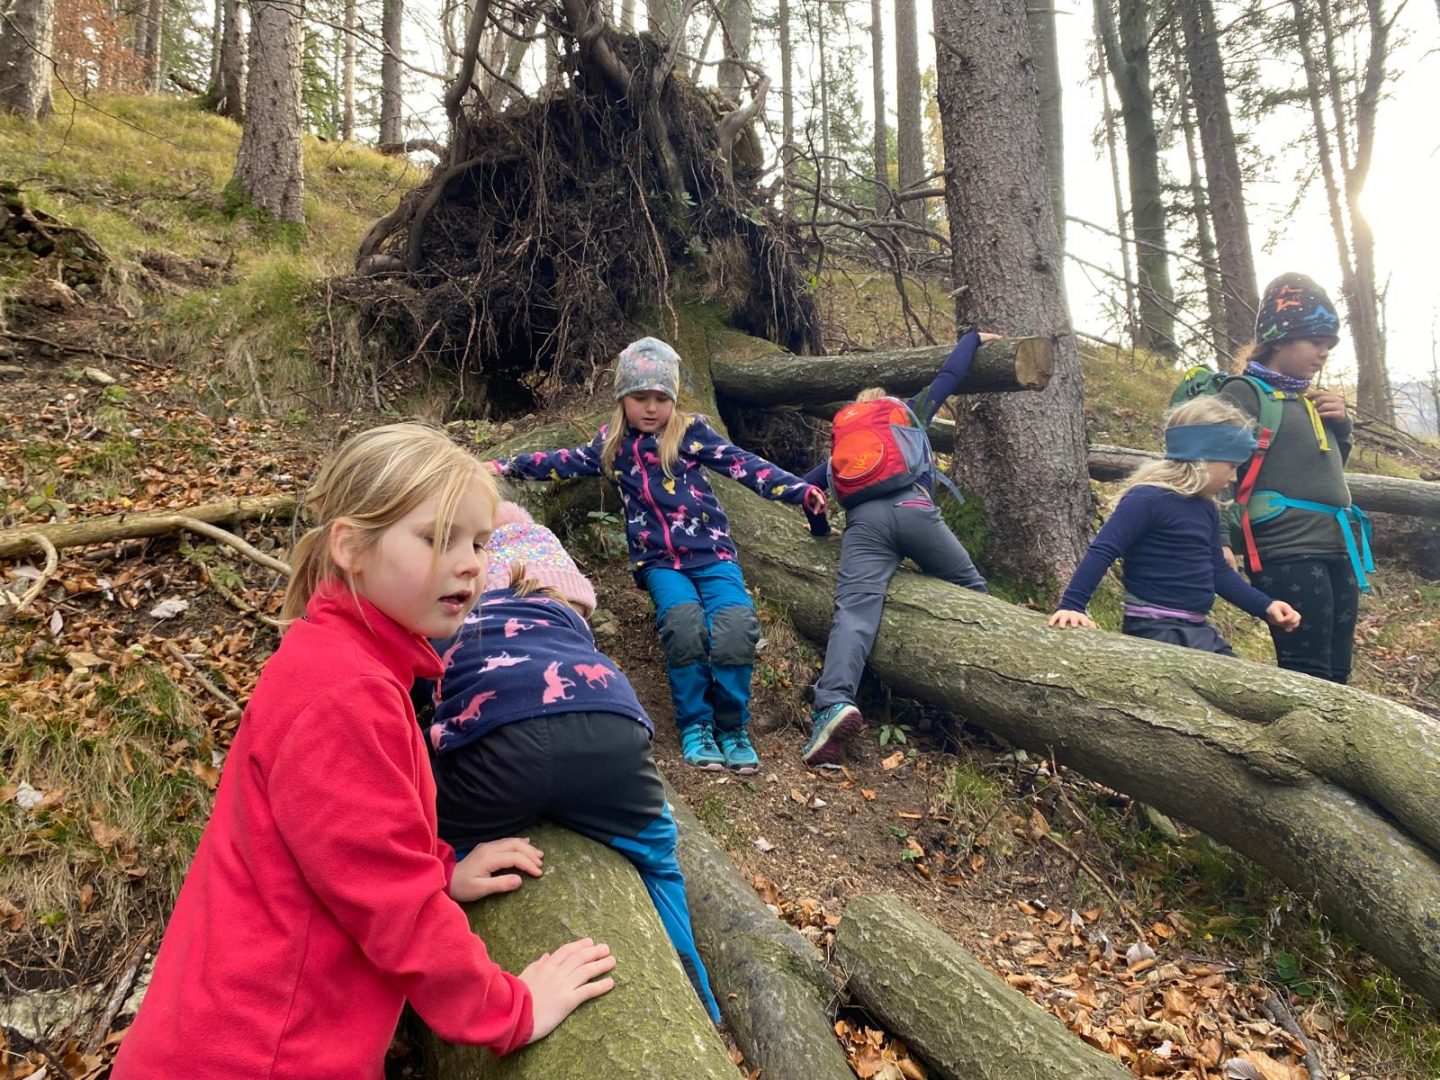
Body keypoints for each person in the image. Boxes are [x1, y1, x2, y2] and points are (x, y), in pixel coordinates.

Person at [113, 424, 615, 1080]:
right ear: (352, 546)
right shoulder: (345, 693)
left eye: (478, 542)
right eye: (438, 538)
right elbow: (395, 910)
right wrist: (511, 1010)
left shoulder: (342, 661)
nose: (471, 563)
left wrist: (442, 872)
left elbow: (349, 849)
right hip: (260, 1054)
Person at [420, 501, 722, 1023]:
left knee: (433, 824)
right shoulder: (566, 615)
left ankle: (446, 899)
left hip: (494, 747)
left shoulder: (449, 615)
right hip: (610, 734)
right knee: (658, 854)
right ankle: (695, 991)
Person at [495, 337, 826, 775]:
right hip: (660, 563)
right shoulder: (612, 445)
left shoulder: (689, 433)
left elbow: (743, 464)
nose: (651, 408)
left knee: (735, 625)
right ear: (622, 399)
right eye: (640, 398)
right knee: (684, 625)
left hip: (713, 556)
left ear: (673, 400)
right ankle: (696, 724)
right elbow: (561, 461)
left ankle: (732, 727)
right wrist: (506, 466)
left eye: (661, 398)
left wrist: (799, 490)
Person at [798, 328, 991, 768]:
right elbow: (949, 376)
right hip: (915, 511)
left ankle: (833, 704)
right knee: (972, 588)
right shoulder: (910, 416)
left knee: (854, 611)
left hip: (864, 523)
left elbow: (806, 491)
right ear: (889, 409)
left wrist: (820, 530)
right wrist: (973, 338)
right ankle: (982, 693)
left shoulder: (843, 456)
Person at [1048, 396, 1301, 652]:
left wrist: (1265, 606)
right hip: (1154, 628)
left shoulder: (1206, 509)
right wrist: (1072, 606)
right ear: (1203, 459)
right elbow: (1104, 549)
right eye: (1232, 466)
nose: (1234, 477)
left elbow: (1218, 571)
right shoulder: (1147, 499)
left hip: (1198, 628)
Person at [1217, 272, 1370, 683]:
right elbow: (1215, 469)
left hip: (1339, 548)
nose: (1323, 353)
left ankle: (1337, 728)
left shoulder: (1309, 400)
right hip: (1286, 550)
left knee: (1338, 672)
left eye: (1329, 345)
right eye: (1315, 341)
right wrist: (1219, 539)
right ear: (1278, 340)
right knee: (1308, 672)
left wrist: (1342, 428)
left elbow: (1325, 470)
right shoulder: (1243, 393)